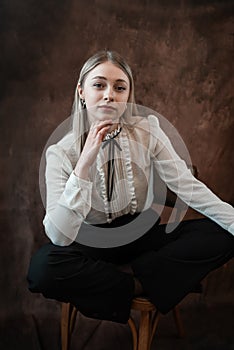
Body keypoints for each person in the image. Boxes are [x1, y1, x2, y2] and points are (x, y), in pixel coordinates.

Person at [27, 50, 234, 324]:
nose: (109, 95)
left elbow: (187, 187)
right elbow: (60, 237)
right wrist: (85, 162)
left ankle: (143, 275)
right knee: (43, 268)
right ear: (81, 92)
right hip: (90, 243)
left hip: (142, 239)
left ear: (127, 95)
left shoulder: (148, 130)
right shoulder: (60, 153)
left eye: (119, 87)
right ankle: (138, 285)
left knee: (224, 232)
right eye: (99, 85)